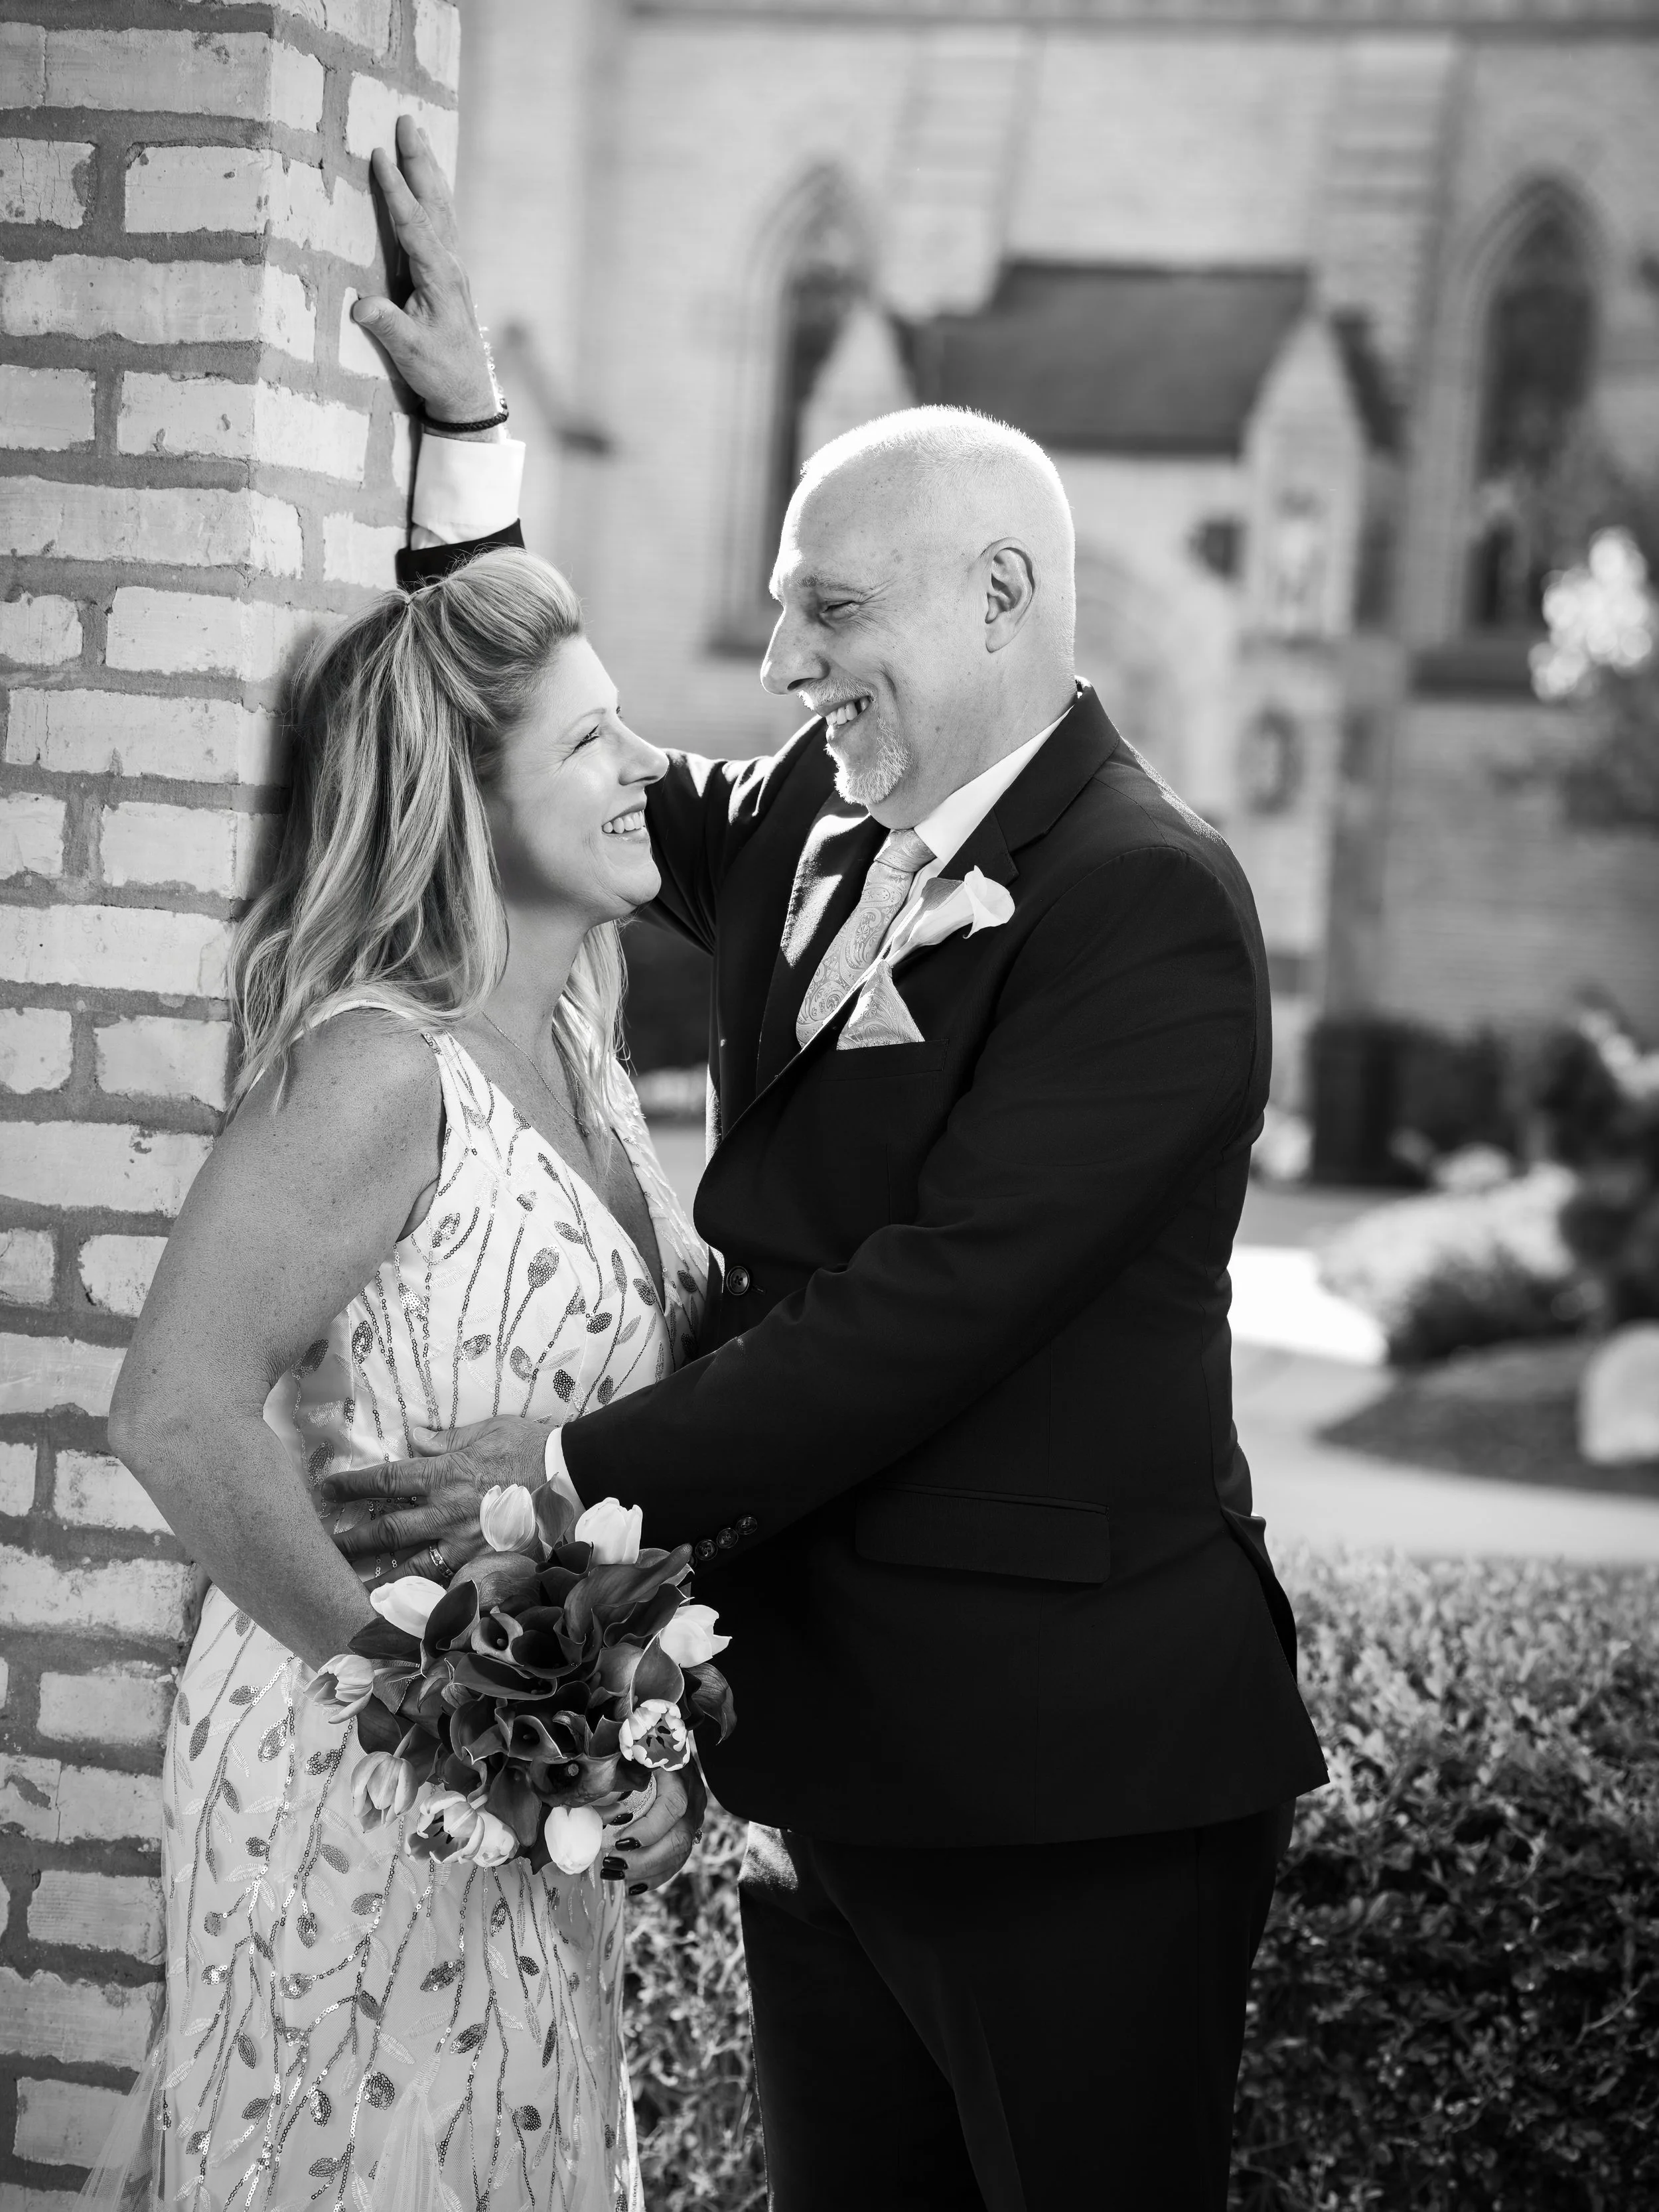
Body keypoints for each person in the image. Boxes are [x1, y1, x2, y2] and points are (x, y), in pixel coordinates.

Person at [332, 121, 1329, 2212]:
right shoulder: (807, 811)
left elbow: (930, 1311)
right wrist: (471, 451)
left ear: (1001, 594)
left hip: (1074, 1784)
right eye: (784, 613)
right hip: (821, 1763)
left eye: (832, 611)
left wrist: (561, 1470)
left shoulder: (1149, 901)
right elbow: (559, 755)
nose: (784, 663)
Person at [106, 545, 711, 2211]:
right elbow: (173, 1409)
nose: (647, 763)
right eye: (590, 741)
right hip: (352, 1771)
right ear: (469, 800)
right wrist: (435, 1705)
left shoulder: (582, 1051)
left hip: (522, 1798)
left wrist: (639, 1742)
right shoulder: (381, 1067)